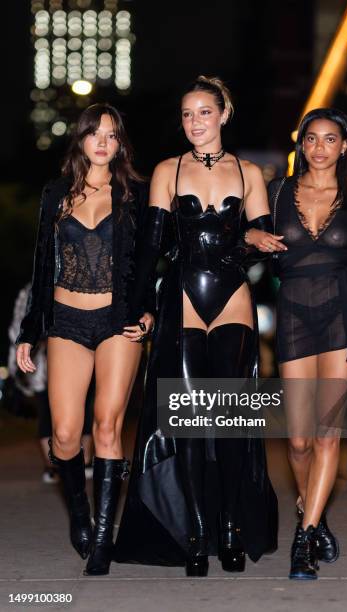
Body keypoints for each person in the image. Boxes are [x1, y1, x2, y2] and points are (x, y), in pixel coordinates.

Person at [115, 76, 279, 577]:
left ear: (223, 113)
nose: (195, 122)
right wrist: (137, 304)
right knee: (188, 424)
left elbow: (266, 243)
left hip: (232, 295)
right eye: (187, 114)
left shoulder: (250, 172)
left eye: (203, 112)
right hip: (183, 294)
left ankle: (230, 530)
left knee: (228, 423)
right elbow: (151, 245)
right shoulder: (169, 168)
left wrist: (251, 234)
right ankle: (194, 533)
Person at [16, 104, 155, 576]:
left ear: (120, 145)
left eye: (112, 136)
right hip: (67, 321)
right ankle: (78, 512)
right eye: (94, 133)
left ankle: (101, 536)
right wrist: (28, 332)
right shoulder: (56, 194)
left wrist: (149, 309)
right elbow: (41, 265)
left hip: (118, 322)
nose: (102, 142)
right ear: (79, 140)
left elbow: (151, 259)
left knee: (108, 426)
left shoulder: (136, 194)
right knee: (65, 433)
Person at [246, 108, 347, 579]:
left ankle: (305, 537)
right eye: (311, 139)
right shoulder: (278, 192)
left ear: (344, 147)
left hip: (342, 316)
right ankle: (312, 510)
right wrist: (250, 233)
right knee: (298, 441)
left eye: (329, 139)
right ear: (301, 145)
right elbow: (239, 239)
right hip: (296, 315)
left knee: (327, 434)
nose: (319, 147)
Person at [8, 283, 94, 484]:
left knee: (81, 408)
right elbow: (17, 327)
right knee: (49, 413)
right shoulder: (30, 291)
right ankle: (56, 465)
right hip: (40, 361)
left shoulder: (73, 282)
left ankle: (77, 463)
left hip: (74, 356)